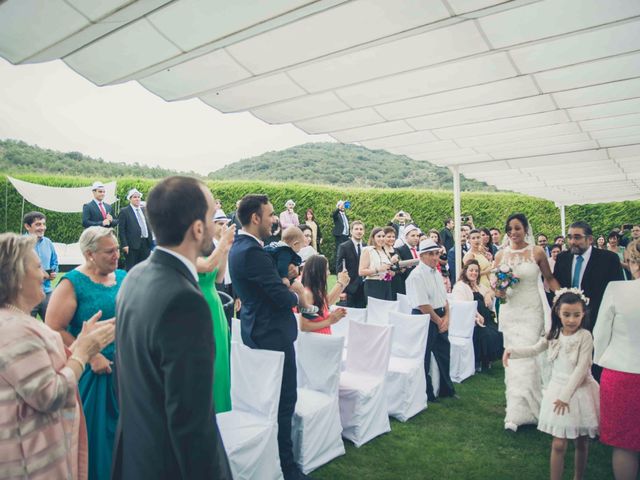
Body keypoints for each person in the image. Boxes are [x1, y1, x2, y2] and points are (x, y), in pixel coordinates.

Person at [112, 176, 231, 479]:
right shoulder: (185, 301)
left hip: (136, 456)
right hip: (170, 466)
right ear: (198, 228)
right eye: (210, 214)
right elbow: (192, 422)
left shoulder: (134, 277)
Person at [0, 233, 115, 480]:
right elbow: (49, 395)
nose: (44, 275)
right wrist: (84, 353)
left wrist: (80, 344)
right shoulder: (18, 331)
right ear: (17, 278)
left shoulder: (13, 322)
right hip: (32, 464)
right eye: (38, 267)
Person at [228, 194, 310, 480]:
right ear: (255, 218)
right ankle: (287, 468)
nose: (274, 219)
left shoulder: (239, 247)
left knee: (266, 400)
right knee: (284, 400)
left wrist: (280, 279)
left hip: (255, 328)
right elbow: (277, 296)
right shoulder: (252, 252)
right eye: (271, 214)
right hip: (271, 333)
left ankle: (273, 461)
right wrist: (292, 290)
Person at [45, 227, 125, 480]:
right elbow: (53, 327)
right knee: (96, 438)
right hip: (94, 374)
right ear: (90, 254)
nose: (116, 256)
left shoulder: (123, 276)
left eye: (116, 250)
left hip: (126, 371)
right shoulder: (73, 283)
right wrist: (91, 354)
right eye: (109, 252)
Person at [503, 290, 599, 480]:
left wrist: (565, 396)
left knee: (581, 441)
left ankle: (578, 477)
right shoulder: (554, 334)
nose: (571, 320)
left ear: (583, 314)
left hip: (578, 392)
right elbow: (534, 349)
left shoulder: (585, 336)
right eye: (567, 314)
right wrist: (512, 350)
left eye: (576, 315)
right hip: (557, 389)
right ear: (557, 313)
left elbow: (582, 368)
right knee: (558, 443)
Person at [495, 213, 560, 432]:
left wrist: (565, 298)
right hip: (511, 311)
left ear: (525, 230)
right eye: (510, 229)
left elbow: (549, 279)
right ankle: (514, 413)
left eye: (517, 228)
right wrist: (501, 289)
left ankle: (536, 409)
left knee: (531, 358)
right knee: (512, 360)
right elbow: (499, 293)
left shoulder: (537, 252)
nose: (513, 232)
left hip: (532, 310)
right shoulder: (501, 255)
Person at [593, 239, 640, 480]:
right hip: (622, 372)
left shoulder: (617, 289)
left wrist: (601, 361)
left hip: (621, 373)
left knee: (625, 444)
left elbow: (600, 334)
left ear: (631, 261)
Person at [406, 239, 456, 401]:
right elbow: (423, 305)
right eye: (431, 254)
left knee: (444, 354)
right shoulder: (416, 276)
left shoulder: (437, 272)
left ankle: (446, 390)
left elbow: (444, 298)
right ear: (421, 256)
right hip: (424, 318)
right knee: (424, 358)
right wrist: (439, 321)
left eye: (436, 253)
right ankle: (426, 394)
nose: (435, 257)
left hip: (439, 315)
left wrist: (446, 317)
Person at [553, 221, 624, 334]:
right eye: (570, 237)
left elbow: (618, 290)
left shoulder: (609, 259)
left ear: (590, 239)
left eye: (577, 238)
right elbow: (556, 283)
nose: (572, 242)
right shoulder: (562, 258)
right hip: (568, 320)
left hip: (598, 319)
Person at [196, 220, 236, 413]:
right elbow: (206, 266)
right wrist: (222, 243)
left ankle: (221, 410)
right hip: (197, 306)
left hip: (215, 307)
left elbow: (218, 277)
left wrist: (226, 249)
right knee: (206, 364)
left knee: (220, 362)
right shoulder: (184, 252)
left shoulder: (210, 250)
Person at [452, 260, 503, 372]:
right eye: (471, 270)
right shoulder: (460, 286)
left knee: (498, 332)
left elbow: (491, 291)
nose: (474, 273)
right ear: (465, 271)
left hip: (487, 319)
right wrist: (476, 314)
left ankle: (488, 360)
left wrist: (488, 295)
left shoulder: (478, 285)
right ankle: (479, 362)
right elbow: (462, 305)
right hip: (472, 320)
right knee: (486, 334)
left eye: (476, 271)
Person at [300, 255, 349, 334]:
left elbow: (327, 303)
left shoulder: (317, 291)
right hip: (317, 341)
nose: (329, 273)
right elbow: (304, 326)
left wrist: (342, 284)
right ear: (317, 271)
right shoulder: (307, 294)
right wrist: (330, 320)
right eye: (326, 269)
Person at [22, 211, 58, 319]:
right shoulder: (19, 244)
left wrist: (53, 272)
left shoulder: (48, 242)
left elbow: (54, 262)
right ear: (27, 226)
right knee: (27, 331)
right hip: (27, 295)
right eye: (38, 224)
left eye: (43, 224)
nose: (42, 227)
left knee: (53, 327)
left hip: (46, 293)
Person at [118, 188, 153, 271]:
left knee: (144, 268)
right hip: (132, 245)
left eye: (138, 197)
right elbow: (121, 230)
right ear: (130, 199)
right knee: (131, 268)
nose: (137, 199)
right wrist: (124, 244)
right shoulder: (125, 211)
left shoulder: (144, 210)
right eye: (134, 197)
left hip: (145, 243)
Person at [336, 220, 366, 308]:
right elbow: (339, 269)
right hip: (350, 288)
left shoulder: (366, 246)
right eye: (356, 229)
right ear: (351, 231)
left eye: (361, 229)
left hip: (363, 288)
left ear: (364, 232)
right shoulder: (344, 247)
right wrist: (342, 290)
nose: (359, 231)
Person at [359, 227, 393, 301]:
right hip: (373, 284)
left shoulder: (385, 251)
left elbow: (387, 269)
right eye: (379, 236)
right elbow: (361, 272)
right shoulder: (368, 250)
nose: (381, 239)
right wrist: (378, 269)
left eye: (383, 236)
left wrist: (391, 272)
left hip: (387, 284)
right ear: (373, 238)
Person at [396, 224, 421, 291]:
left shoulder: (419, 250)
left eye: (417, 236)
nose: (416, 238)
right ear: (406, 237)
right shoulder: (400, 250)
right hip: (407, 285)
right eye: (413, 235)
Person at [383, 226, 402, 299]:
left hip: (398, 282)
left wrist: (400, 269)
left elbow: (400, 267)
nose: (392, 239)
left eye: (393, 237)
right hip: (387, 283)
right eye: (389, 237)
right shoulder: (381, 250)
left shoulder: (396, 250)